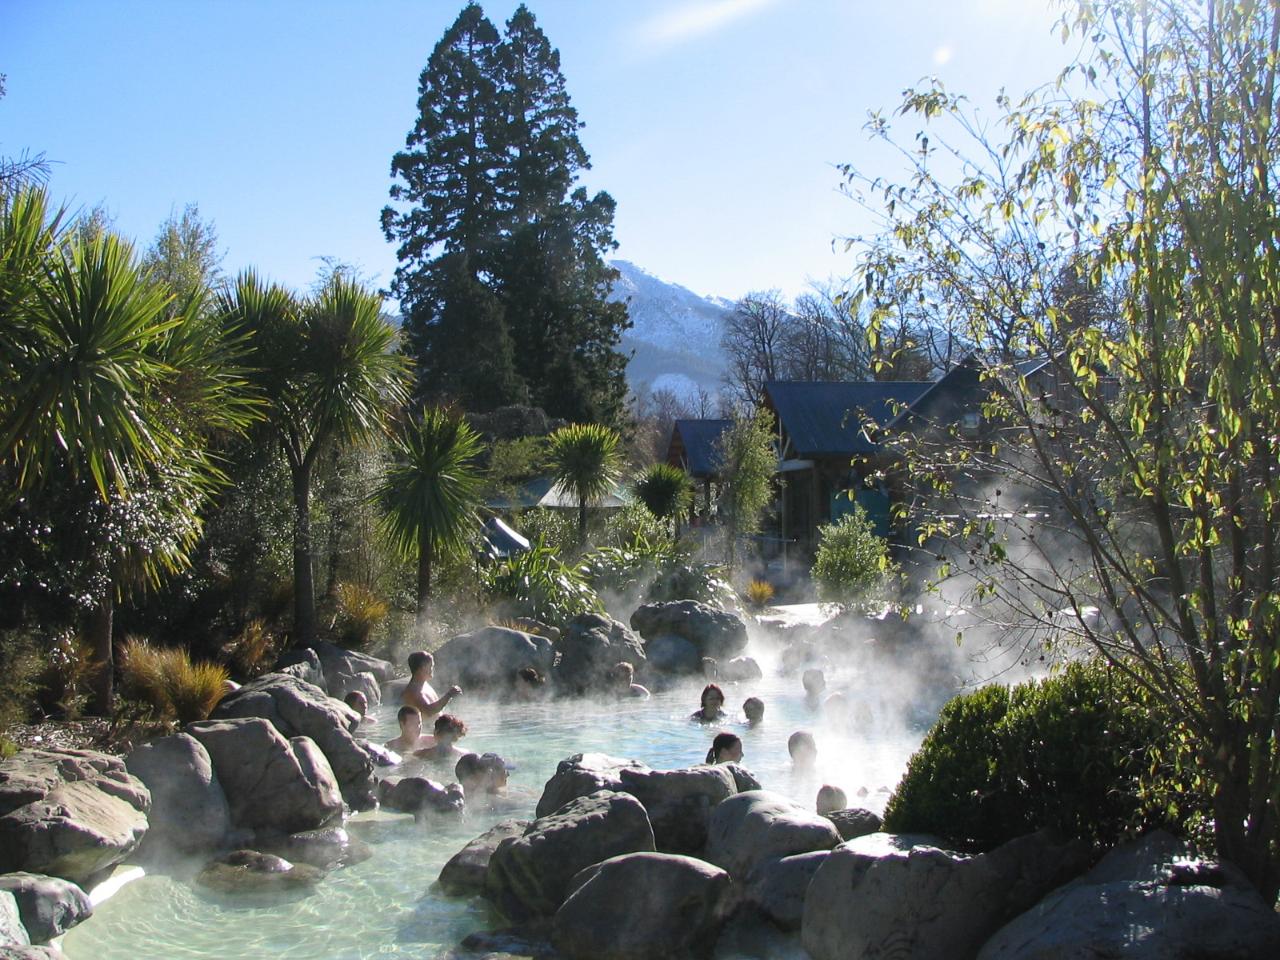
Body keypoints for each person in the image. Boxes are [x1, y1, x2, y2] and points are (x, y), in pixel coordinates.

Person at [402, 651, 461, 721]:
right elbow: (429, 711)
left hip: (437, 729)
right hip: (426, 731)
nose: (432, 669)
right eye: (430, 666)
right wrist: (449, 695)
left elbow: (437, 709)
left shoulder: (424, 684)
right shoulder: (412, 692)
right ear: (421, 668)